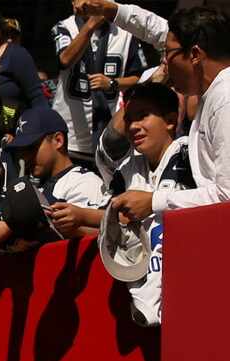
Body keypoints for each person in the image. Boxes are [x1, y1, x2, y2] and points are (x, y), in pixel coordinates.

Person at [75, 0, 230, 218]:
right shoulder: (215, 90)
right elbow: (158, 30)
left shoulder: (226, 99)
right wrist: (114, 10)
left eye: (167, 53)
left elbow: (227, 196)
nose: (164, 62)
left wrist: (153, 201)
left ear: (195, 55)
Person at [96, 82, 195, 325]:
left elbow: (218, 198)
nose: (133, 126)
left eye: (143, 116)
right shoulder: (126, 170)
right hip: (144, 294)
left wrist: (153, 202)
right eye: (129, 119)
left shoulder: (191, 155)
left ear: (171, 120)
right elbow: (106, 149)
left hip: (192, 285)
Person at [52, 0, 147, 167]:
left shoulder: (125, 33)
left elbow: (139, 77)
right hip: (70, 135)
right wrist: (90, 25)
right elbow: (65, 59)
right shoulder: (65, 27)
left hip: (108, 134)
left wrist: (113, 83)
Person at [6, 106, 110, 236]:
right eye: (22, 151)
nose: (25, 157)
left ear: (58, 140)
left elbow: (101, 238)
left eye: (31, 148)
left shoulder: (84, 182)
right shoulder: (36, 187)